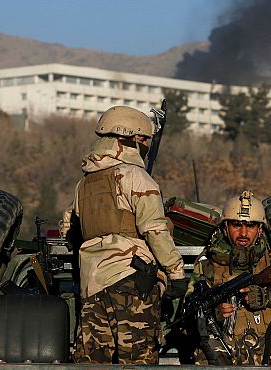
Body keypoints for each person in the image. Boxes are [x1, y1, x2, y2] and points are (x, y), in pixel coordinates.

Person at [59, 105, 187, 364]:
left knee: (92, 362)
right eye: (143, 139)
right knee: (138, 361)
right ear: (128, 139)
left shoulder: (83, 184)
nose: (145, 145)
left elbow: (69, 230)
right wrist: (176, 273)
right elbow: (155, 230)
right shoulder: (136, 176)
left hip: (91, 286)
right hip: (132, 282)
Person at [186, 190, 271, 365]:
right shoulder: (206, 267)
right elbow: (188, 310)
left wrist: (268, 296)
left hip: (268, 351)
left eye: (250, 226)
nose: (243, 233)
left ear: (259, 231)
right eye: (236, 225)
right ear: (225, 229)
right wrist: (214, 314)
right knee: (203, 325)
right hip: (224, 355)